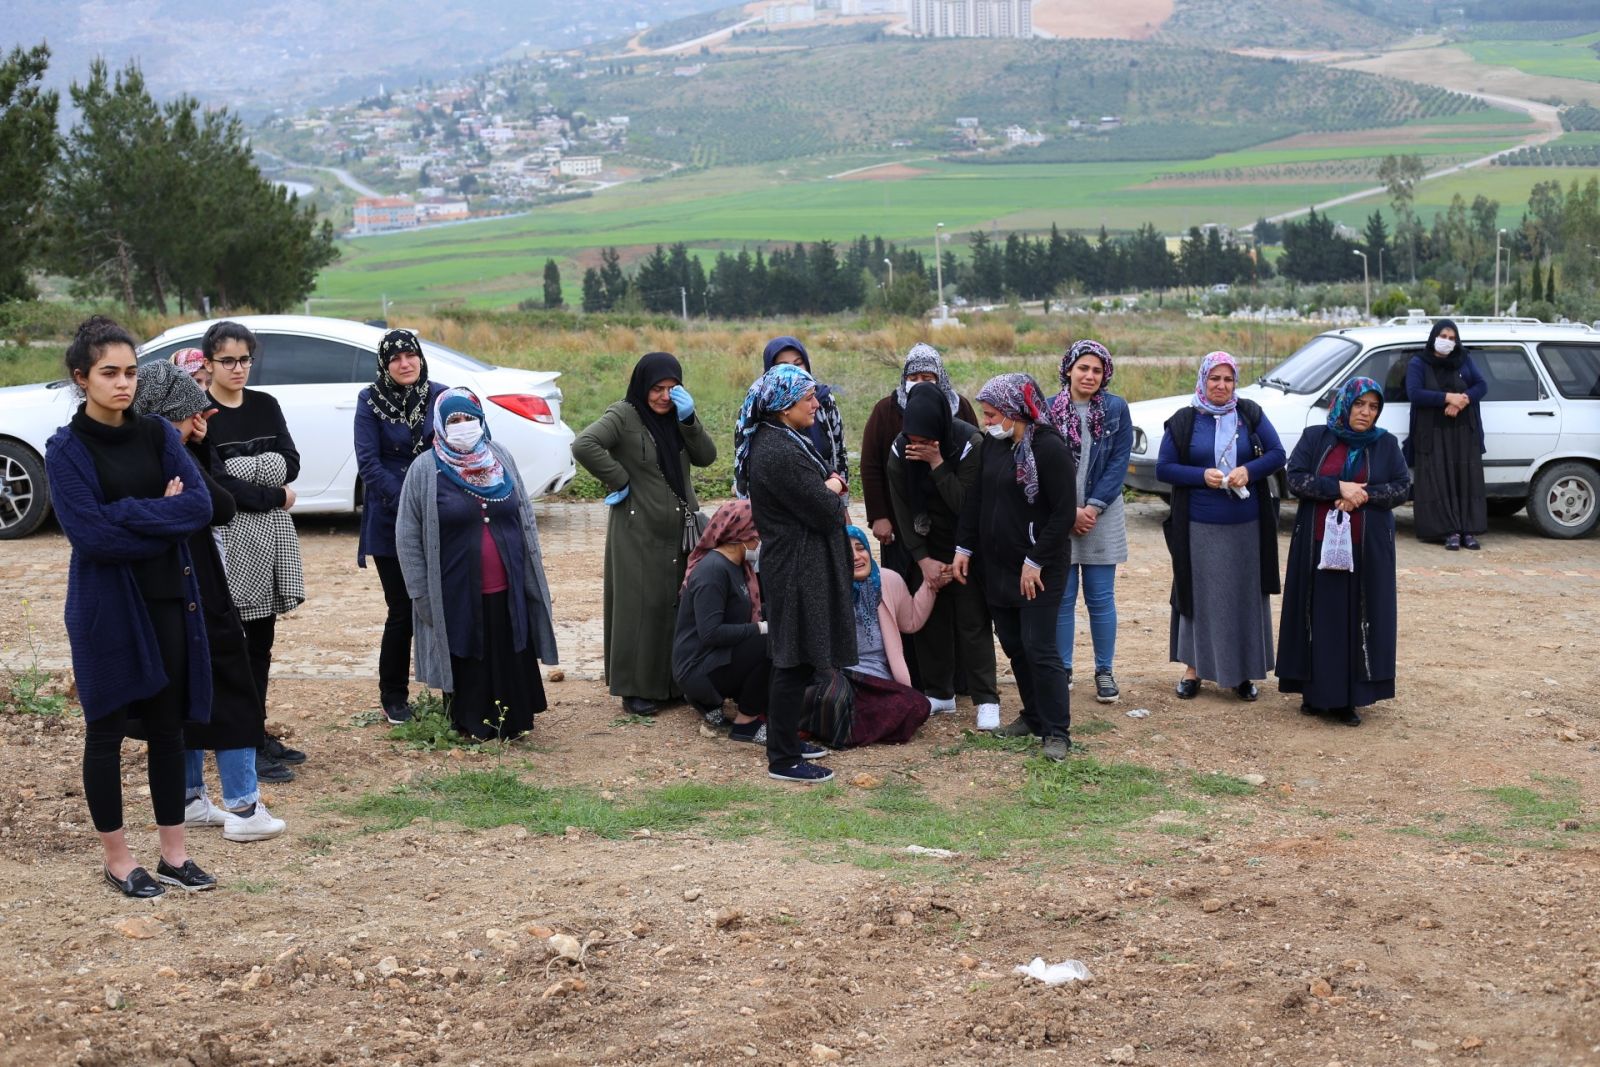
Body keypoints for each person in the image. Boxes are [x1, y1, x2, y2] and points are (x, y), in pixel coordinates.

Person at [45, 316, 218, 896]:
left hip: (168, 597)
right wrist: (155, 514)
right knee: (106, 730)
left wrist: (124, 512)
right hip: (107, 609)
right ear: (81, 378)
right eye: (108, 373)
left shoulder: (158, 435)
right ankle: (119, 860)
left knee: (169, 730)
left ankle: (174, 855)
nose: (123, 384)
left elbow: (197, 507)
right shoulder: (65, 449)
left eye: (129, 372)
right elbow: (91, 536)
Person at [128, 362, 285, 843]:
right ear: (166, 416)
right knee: (233, 689)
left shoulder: (140, 453)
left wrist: (194, 446)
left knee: (185, 692)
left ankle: (190, 797)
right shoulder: (167, 454)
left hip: (167, 593)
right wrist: (192, 451)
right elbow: (221, 504)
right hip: (200, 591)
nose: (197, 421)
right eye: (188, 414)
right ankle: (244, 807)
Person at [396, 388, 559, 740]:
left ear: (481, 420)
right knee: (468, 648)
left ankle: (514, 721)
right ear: (440, 425)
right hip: (456, 590)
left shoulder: (500, 457)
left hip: (507, 583)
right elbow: (407, 537)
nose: (463, 426)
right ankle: (471, 723)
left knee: (508, 643)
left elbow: (524, 516)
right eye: (453, 420)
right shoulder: (425, 469)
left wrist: (534, 569)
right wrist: (420, 593)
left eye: (469, 418)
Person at [572, 352, 716, 716]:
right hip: (637, 530)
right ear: (642, 386)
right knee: (640, 606)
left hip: (679, 532)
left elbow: (706, 457)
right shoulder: (624, 414)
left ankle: (670, 683)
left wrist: (690, 420)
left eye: (672, 388)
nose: (664, 397)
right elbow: (584, 444)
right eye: (657, 388)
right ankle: (635, 688)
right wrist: (619, 479)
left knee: (673, 603)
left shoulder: (679, 419)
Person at [735, 363, 851, 783]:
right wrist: (835, 488)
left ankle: (784, 739)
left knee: (795, 656)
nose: (817, 405)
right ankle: (783, 758)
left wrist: (829, 488)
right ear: (785, 407)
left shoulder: (783, 439)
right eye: (808, 399)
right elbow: (824, 511)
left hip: (800, 564)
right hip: (797, 568)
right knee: (791, 659)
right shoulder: (778, 451)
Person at [952, 373, 1077, 760]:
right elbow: (976, 500)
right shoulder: (992, 446)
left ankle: (1057, 731)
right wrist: (964, 547)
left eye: (991, 415)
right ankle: (1034, 716)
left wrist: (1035, 559)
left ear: (1014, 412)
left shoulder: (1049, 448)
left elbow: (1063, 513)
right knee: (1015, 646)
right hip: (999, 567)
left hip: (1039, 569)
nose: (986, 422)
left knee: (1040, 647)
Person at [202, 321, 307, 781]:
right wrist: (273, 492)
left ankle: (256, 731)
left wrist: (249, 473)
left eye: (245, 359)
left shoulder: (266, 404)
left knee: (261, 644)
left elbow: (293, 462)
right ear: (208, 364)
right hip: (228, 541)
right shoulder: (202, 415)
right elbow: (217, 483)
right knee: (235, 649)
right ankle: (241, 741)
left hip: (271, 542)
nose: (238, 368)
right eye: (228, 360)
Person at [1277, 378, 1409, 727]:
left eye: (1373, 406)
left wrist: (1362, 496)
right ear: (1344, 404)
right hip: (1319, 547)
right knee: (1321, 618)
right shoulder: (1316, 438)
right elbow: (1295, 477)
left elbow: (1401, 488)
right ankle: (1315, 694)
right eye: (1359, 404)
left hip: (1365, 552)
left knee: (1356, 620)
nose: (1365, 412)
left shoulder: (1386, 444)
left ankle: (1348, 699)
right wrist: (1337, 487)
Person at [1157, 351, 1286, 702]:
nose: (1221, 385)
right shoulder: (1184, 421)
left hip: (1246, 526)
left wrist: (1250, 470)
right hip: (1199, 526)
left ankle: (1242, 673)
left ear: (1236, 383)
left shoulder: (1249, 415)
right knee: (1199, 597)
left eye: (1228, 379)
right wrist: (1201, 477)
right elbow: (1164, 468)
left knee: (1243, 597)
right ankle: (1193, 670)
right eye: (1215, 378)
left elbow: (1277, 453)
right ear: (1203, 380)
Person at [884, 381, 1000, 729]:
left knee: (972, 621)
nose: (917, 445)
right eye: (913, 438)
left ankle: (986, 699)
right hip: (927, 549)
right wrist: (922, 559)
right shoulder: (899, 450)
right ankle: (939, 693)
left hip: (968, 546)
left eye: (926, 439)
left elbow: (966, 505)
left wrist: (936, 462)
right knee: (929, 622)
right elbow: (901, 510)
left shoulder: (970, 444)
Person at [354, 328, 448, 724]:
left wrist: (434, 502)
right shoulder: (370, 401)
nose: (404, 363)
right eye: (395, 358)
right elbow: (368, 463)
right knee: (403, 609)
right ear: (384, 364)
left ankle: (454, 690)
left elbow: (457, 446)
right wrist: (409, 503)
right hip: (390, 518)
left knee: (446, 605)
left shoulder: (441, 396)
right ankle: (393, 695)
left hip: (442, 514)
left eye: (410, 355)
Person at [1047, 340, 1133, 705]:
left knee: (1101, 598)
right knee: (1063, 598)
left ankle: (1104, 670)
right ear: (1069, 368)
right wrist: (1067, 512)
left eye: (1097, 370)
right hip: (1061, 517)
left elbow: (1118, 463)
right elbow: (1043, 464)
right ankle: (1063, 669)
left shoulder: (1116, 408)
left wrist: (1092, 508)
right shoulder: (1049, 409)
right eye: (1083, 368)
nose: (1090, 375)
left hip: (1103, 515)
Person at [860, 342, 979, 552]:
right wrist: (879, 516)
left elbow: (975, 461)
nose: (919, 383)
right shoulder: (885, 410)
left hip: (951, 516)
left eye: (927, 378)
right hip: (901, 513)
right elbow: (871, 466)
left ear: (939, 378)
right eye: (912, 378)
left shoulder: (959, 407)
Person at [673, 500, 770, 744]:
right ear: (743, 535)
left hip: (716, 656)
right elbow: (711, 633)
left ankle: (732, 702)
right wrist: (761, 628)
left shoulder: (739, 565)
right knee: (771, 642)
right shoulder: (713, 571)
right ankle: (745, 724)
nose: (762, 544)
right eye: (759, 536)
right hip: (698, 667)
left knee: (773, 636)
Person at [834, 526, 938, 746]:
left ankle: (846, 730)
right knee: (832, 699)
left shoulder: (887, 580)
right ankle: (854, 728)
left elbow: (910, 622)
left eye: (860, 548)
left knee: (917, 705)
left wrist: (930, 585)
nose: (855, 557)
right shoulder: (829, 589)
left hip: (879, 683)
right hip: (842, 679)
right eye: (845, 551)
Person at [1405, 318, 1487, 550]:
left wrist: (1462, 401)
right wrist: (1446, 398)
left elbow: (1482, 385)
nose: (1447, 342)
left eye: (1452, 338)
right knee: (1439, 480)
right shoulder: (1418, 363)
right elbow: (1414, 393)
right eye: (1443, 337)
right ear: (1433, 338)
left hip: (1463, 430)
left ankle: (1468, 530)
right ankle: (1448, 532)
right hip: (1432, 432)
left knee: (1466, 479)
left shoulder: (1464, 359)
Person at [761, 336, 849, 488]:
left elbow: (839, 451)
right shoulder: (760, 407)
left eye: (798, 363)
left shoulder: (823, 398)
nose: (793, 370)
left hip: (827, 493)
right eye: (783, 365)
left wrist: (842, 502)